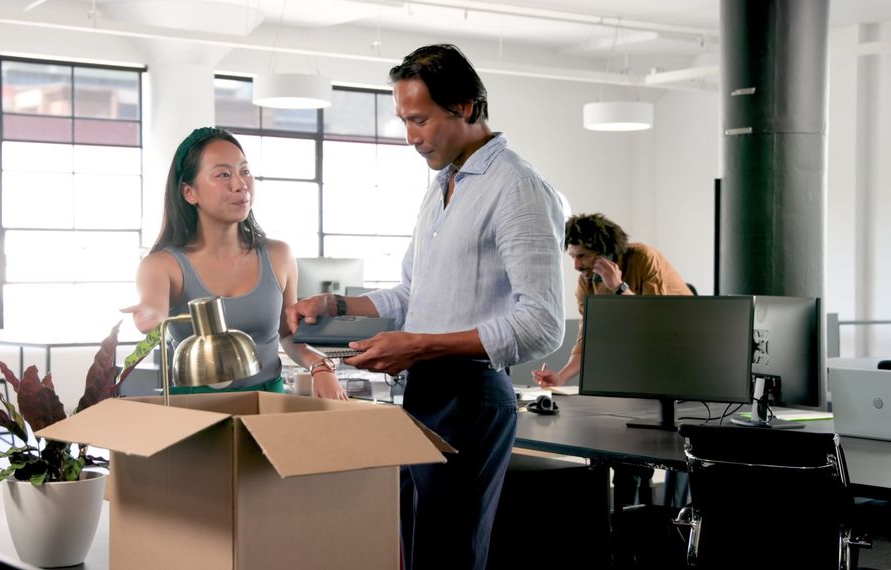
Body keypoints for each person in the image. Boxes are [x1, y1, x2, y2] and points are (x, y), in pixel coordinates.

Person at [285, 44, 566, 570]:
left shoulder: (518, 188)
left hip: (472, 399)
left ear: (465, 106)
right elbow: (412, 294)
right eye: (404, 120)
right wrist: (339, 302)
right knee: (415, 553)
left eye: (419, 120)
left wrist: (418, 346)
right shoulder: (443, 185)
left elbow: (542, 323)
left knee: (448, 558)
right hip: (425, 393)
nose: (410, 137)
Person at [122, 127, 347, 399]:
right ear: (189, 192)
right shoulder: (161, 265)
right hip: (194, 407)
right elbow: (154, 310)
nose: (240, 184)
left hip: (269, 402)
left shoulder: (279, 255)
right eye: (223, 174)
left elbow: (288, 335)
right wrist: (153, 317)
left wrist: (321, 367)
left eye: (245, 171)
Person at [535, 212, 692, 508]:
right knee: (623, 454)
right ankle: (625, 535)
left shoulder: (643, 258)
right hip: (639, 363)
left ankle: (672, 527)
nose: (577, 265)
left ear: (604, 250)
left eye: (582, 255)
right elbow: (589, 338)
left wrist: (618, 286)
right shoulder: (586, 283)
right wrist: (562, 376)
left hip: (680, 357)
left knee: (676, 454)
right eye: (572, 257)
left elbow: (656, 323)